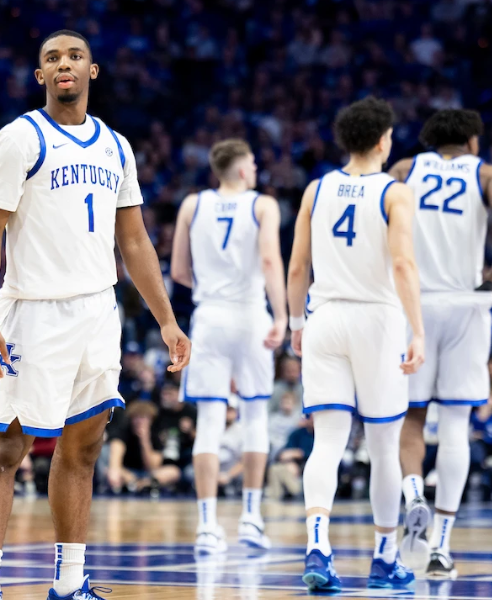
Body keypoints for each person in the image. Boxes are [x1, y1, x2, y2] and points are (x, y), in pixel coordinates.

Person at [0, 30, 190, 600]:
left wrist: (165, 319)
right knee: (8, 449)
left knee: (84, 448)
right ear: (41, 77)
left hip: (97, 311)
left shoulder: (116, 145)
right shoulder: (18, 139)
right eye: (51, 59)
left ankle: (68, 584)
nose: (63, 64)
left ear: (93, 71)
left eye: (74, 57)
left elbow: (135, 243)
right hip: (32, 312)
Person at [287, 97, 424, 592]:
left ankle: (318, 548)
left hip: (323, 317)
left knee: (327, 442)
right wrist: (419, 330)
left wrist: (293, 321)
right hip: (377, 320)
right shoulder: (395, 193)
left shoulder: (315, 189)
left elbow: (297, 267)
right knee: (385, 447)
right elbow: (405, 265)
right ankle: (386, 558)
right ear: (384, 140)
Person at [386, 108, 492, 579]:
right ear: (471, 141)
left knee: (412, 418)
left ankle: (412, 496)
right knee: (456, 425)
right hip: (466, 304)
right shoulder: (484, 172)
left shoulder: (405, 170)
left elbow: (373, 216)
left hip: (414, 305)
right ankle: (442, 547)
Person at [170, 138, 287, 553]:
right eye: (253, 164)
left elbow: (179, 271)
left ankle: (206, 526)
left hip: (210, 317)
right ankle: (251, 519)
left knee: (209, 422)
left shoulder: (191, 205)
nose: (255, 170)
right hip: (250, 314)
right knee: (255, 416)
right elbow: (271, 262)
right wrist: (283, 315)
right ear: (242, 170)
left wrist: (209, 285)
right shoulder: (263, 205)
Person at [105, 401, 182, 494]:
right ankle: (135, 484)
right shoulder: (123, 432)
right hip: (128, 472)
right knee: (111, 471)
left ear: (151, 420)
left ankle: (144, 485)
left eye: (144, 418)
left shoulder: (155, 435)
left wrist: (144, 440)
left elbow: (152, 466)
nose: (140, 421)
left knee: (173, 471)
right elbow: (115, 461)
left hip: (149, 474)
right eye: (136, 417)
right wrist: (123, 475)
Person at [267, 415, 314, 499]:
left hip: (310, 465)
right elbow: (285, 452)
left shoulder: (320, 435)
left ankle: (297, 492)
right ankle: (275, 497)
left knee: (284, 472)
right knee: (275, 469)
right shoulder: (297, 433)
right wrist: (290, 461)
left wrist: (299, 453)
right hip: (293, 464)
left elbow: (313, 453)